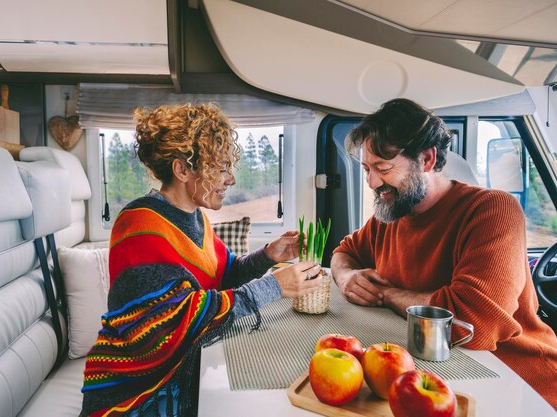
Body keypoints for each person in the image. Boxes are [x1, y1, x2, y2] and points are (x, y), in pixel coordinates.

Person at [80, 103, 321, 417]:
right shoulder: (139, 225)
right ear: (182, 170)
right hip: (136, 392)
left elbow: (225, 274)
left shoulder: (196, 219)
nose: (230, 179)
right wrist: (273, 287)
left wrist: (269, 255)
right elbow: (168, 326)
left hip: (184, 370)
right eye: (220, 168)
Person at [330, 98, 557, 408]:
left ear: (426, 159)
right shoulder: (391, 213)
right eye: (367, 169)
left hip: (520, 381)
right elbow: (344, 252)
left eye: (382, 168)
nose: (371, 182)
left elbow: (472, 324)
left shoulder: (493, 210)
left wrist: (386, 295)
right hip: (437, 372)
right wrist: (347, 277)